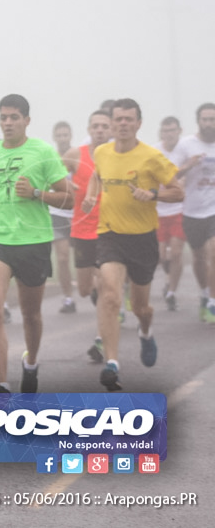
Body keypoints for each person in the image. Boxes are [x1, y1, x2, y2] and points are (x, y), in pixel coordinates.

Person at [0, 94, 71, 394]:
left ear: (26, 120)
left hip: (34, 241)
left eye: (14, 117)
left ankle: (32, 362)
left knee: (31, 315)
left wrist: (38, 193)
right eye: (3, 117)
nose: (8, 122)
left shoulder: (43, 152)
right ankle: (2, 386)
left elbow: (69, 197)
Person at [82, 98, 183, 391]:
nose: (123, 124)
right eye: (118, 119)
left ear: (138, 123)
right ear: (111, 123)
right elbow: (96, 177)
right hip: (110, 235)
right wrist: (91, 196)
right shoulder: (101, 152)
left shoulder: (151, 157)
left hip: (143, 239)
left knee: (141, 307)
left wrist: (152, 195)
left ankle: (146, 332)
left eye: (129, 119)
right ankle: (112, 363)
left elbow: (178, 192)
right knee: (110, 294)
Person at [63, 109, 112, 363]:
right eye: (96, 126)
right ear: (89, 129)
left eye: (105, 126)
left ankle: (101, 340)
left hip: (109, 230)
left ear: (111, 129)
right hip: (81, 229)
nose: (100, 130)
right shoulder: (76, 155)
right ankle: (101, 295)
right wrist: (64, 183)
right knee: (84, 289)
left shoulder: (117, 156)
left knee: (104, 285)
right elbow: (53, 172)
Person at [169, 102, 215, 322]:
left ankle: (214, 302)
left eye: (212, 119)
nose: (208, 123)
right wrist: (188, 166)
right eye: (205, 119)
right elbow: (170, 177)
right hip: (192, 210)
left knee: (214, 252)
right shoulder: (187, 144)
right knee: (198, 257)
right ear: (198, 121)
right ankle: (205, 294)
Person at [155, 116, 187, 311]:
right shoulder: (154, 151)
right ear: (161, 133)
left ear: (179, 131)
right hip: (158, 210)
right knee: (160, 256)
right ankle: (168, 280)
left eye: (172, 130)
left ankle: (172, 292)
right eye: (166, 130)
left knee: (175, 253)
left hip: (179, 209)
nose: (169, 134)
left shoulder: (186, 150)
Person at [51, 121, 76, 313]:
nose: (62, 139)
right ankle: (68, 297)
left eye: (65, 135)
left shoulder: (78, 156)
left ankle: (93, 287)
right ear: (54, 138)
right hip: (57, 213)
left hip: (78, 214)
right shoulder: (49, 157)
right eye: (59, 135)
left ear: (70, 136)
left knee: (88, 258)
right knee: (62, 257)